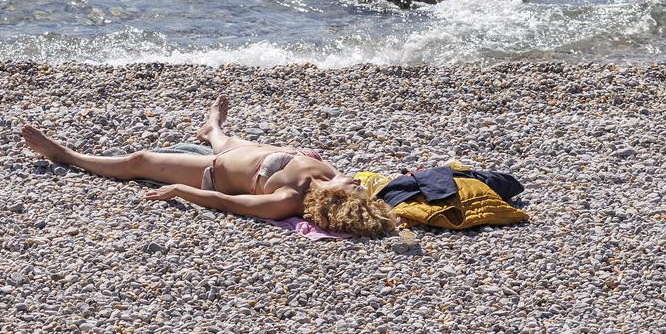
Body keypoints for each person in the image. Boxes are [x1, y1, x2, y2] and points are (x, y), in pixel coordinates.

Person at [20, 95, 396, 236]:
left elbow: (228, 204)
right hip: (247, 151)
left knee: (140, 161)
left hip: (212, 170)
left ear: (333, 201)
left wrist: (182, 190)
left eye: (352, 190)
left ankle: (66, 156)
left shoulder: (286, 199)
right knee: (235, 142)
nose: (356, 182)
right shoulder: (327, 176)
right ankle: (213, 128)